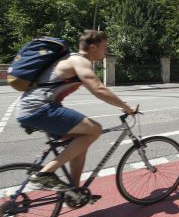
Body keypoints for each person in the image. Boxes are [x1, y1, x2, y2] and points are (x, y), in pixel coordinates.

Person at [15, 30, 136, 191]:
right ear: (93, 47)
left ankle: (73, 192)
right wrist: (126, 107)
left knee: (80, 142)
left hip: (35, 108)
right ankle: (44, 174)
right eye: (104, 46)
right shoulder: (79, 61)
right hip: (39, 107)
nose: (106, 50)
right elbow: (99, 90)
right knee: (94, 130)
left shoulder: (75, 60)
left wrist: (121, 103)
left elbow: (98, 91)